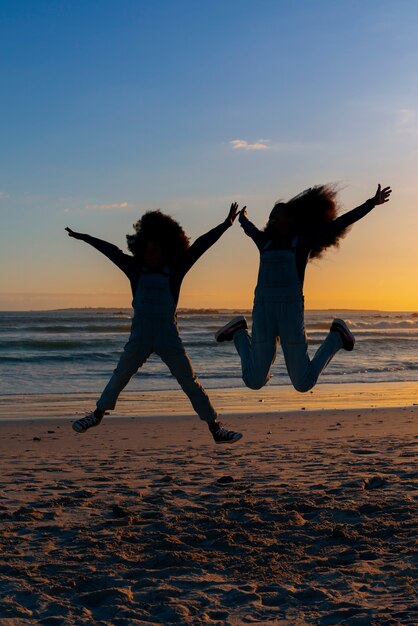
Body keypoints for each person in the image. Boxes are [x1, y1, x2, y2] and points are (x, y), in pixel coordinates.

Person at [66, 204, 242, 444]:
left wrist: (225, 225)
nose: (153, 255)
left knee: (189, 381)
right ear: (141, 249)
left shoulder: (176, 270)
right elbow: (109, 250)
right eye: (148, 250)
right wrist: (83, 237)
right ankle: (97, 415)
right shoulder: (135, 268)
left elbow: (201, 245)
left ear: (168, 249)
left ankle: (215, 428)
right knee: (121, 375)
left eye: (158, 250)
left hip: (168, 335)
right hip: (140, 336)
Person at [215, 184, 392, 393]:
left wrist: (371, 203)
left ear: (290, 219)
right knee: (254, 381)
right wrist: (242, 216)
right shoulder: (264, 241)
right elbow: (247, 227)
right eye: (270, 215)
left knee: (303, 383)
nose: (271, 217)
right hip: (263, 312)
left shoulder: (302, 242)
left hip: (291, 314)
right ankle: (239, 334)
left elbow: (339, 223)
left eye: (277, 214)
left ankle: (336, 337)